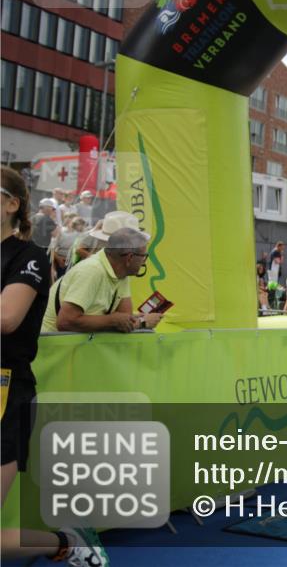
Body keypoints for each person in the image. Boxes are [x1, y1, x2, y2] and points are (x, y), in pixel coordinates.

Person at [1, 170, 110, 567]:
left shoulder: (26, 255)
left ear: (12, 205)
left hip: (6, 396)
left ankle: (63, 543)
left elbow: (8, 318)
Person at [42, 228, 164, 333]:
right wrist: (139, 322)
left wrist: (136, 320)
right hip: (51, 350)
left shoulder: (121, 273)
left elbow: (125, 318)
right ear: (130, 258)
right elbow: (66, 322)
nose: (144, 261)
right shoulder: (91, 271)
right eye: (144, 257)